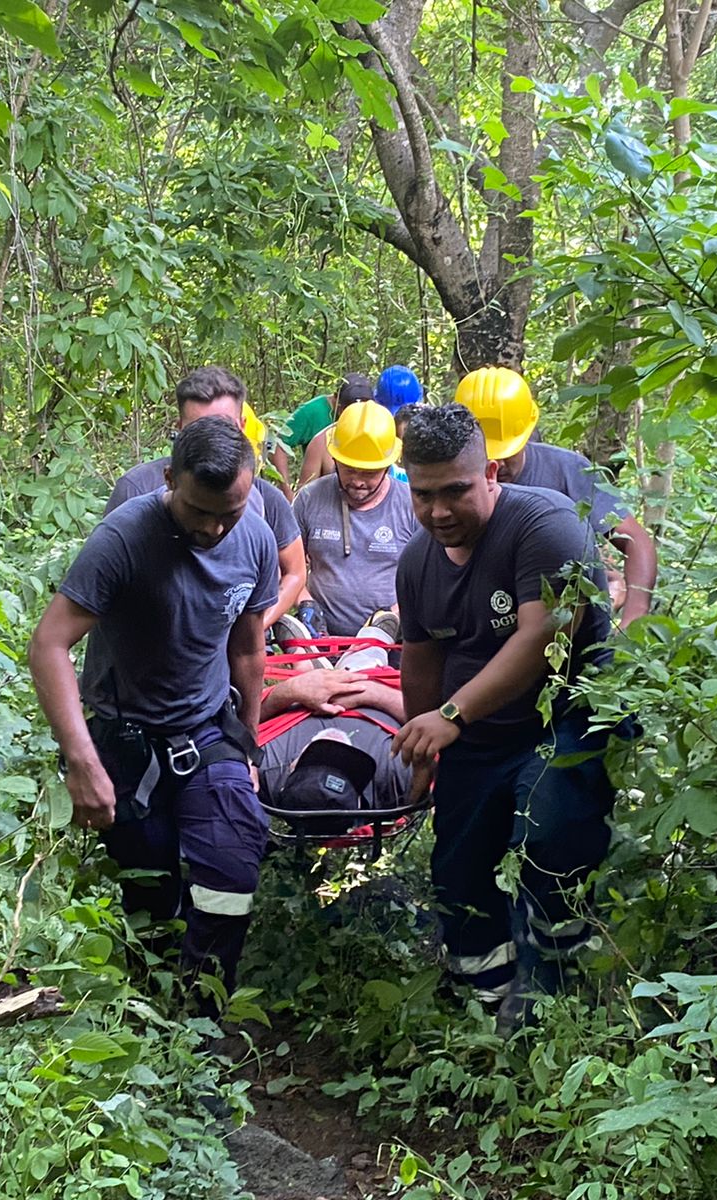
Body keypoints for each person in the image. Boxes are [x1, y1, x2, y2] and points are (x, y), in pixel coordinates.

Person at [28, 417, 277, 1005]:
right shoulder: (124, 539)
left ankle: (203, 1011)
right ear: (169, 480)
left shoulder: (256, 538)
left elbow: (247, 648)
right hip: (126, 736)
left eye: (230, 513)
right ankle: (151, 1010)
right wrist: (82, 762)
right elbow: (49, 644)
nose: (215, 529)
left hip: (207, 729)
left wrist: (250, 744)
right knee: (150, 888)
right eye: (200, 512)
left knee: (232, 865)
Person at [391, 404, 621, 1019]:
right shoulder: (418, 562)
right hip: (476, 730)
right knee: (459, 870)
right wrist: (425, 748)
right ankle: (487, 1004)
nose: (439, 512)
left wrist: (452, 716)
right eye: (424, 494)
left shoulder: (543, 524)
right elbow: (421, 659)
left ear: (491, 473)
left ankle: (556, 993)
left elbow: (545, 637)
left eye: (456, 491)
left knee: (548, 835)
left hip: (566, 713)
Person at [105, 367, 305, 630]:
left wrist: (255, 624)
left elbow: (295, 572)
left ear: (242, 426)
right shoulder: (136, 488)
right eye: (198, 428)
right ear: (179, 429)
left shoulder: (264, 498)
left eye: (221, 426)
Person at [457, 366, 657, 625]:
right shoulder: (450, 488)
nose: (497, 464)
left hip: (566, 630)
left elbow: (634, 539)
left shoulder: (566, 470)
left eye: (507, 452)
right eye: (485, 455)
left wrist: (634, 617)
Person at [290, 401, 420, 638]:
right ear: (335, 460)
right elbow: (287, 567)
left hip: (390, 645)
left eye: (369, 473)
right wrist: (305, 603)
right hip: (323, 642)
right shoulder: (309, 499)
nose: (358, 481)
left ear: (388, 466)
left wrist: (391, 619)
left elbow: (429, 578)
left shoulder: (411, 505)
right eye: (349, 470)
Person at [256, 662, 412, 834]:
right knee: (372, 649)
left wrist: (291, 690)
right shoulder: (396, 778)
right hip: (383, 682)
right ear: (360, 801)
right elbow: (431, 721)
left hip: (308, 687)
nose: (334, 742)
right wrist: (370, 693)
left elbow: (240, 718)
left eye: (315, 757)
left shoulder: (264, 769)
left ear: (290, 771)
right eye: (343, 762)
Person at [297, 372, 375, 487]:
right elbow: (305, 495)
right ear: (339, 410)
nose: (357, 417)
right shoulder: (321, 443)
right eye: (351, 412)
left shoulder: (382, 437)